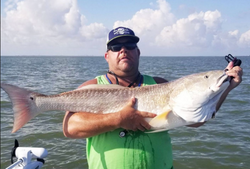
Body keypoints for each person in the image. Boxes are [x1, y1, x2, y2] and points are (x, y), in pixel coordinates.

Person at [63, 27, 243, 169]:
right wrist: (117, 119)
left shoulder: (160, 84)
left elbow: (196, 120)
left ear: (138, 52)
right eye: (116, 47)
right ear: (106, 56)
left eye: (130, 46)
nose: (124, 50)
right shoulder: (91, 87)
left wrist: (227, 88)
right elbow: (70, 128)